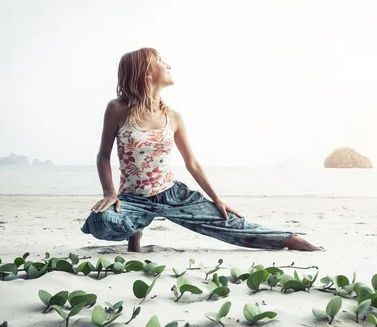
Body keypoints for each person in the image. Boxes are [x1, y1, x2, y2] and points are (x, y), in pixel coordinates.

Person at [81, 48, 321, 253]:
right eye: (162, 61)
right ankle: (135, 231)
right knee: (101, 221)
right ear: (147, 72)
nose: (169, 65)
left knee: (229, 222)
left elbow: (192, 163)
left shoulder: (173, 117)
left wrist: (217, 199)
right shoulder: (117, 109)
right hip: (132, 197)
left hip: (172, 194)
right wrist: (110, 193)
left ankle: (288, 239)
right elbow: (104, 155)